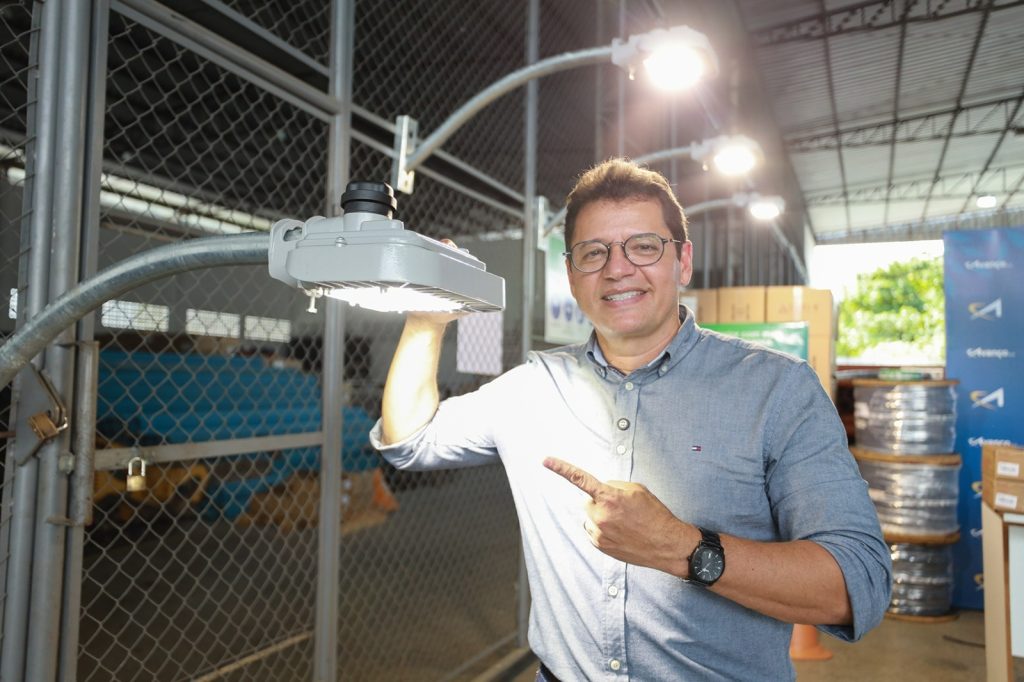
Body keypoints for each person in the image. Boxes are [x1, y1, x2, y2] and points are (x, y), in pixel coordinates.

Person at [370, 158, 892, 680]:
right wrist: (427, 320)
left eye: (643, 246)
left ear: (683, 262)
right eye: (593, 252)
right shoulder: (532, 388)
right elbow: (409, 439)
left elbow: (858, 584)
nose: (617, 268)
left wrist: (681, 548)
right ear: (572, 276)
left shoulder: (778, 389)